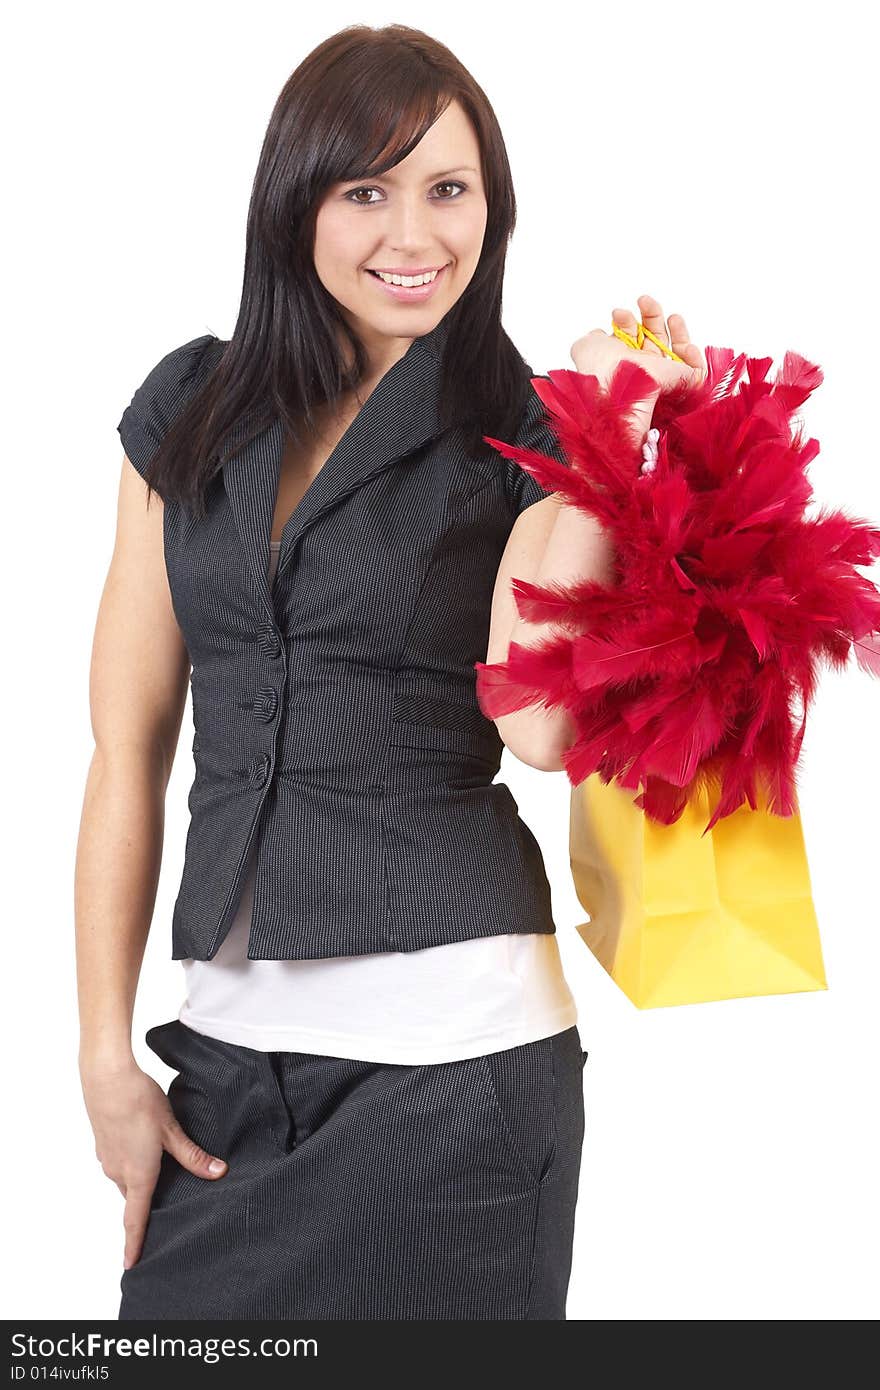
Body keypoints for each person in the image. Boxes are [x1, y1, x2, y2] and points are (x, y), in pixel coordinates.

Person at [76, 24, 705, 1321]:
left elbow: (536, 723)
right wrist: (102, 1053)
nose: (412, 232)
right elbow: (125, 746)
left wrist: (608, 441)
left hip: (456, 1081)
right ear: (295, 200)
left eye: (448, 188)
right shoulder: (186, 411)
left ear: (494, 208)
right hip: (227, 1081)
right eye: (367, 187)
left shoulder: (524, 433)